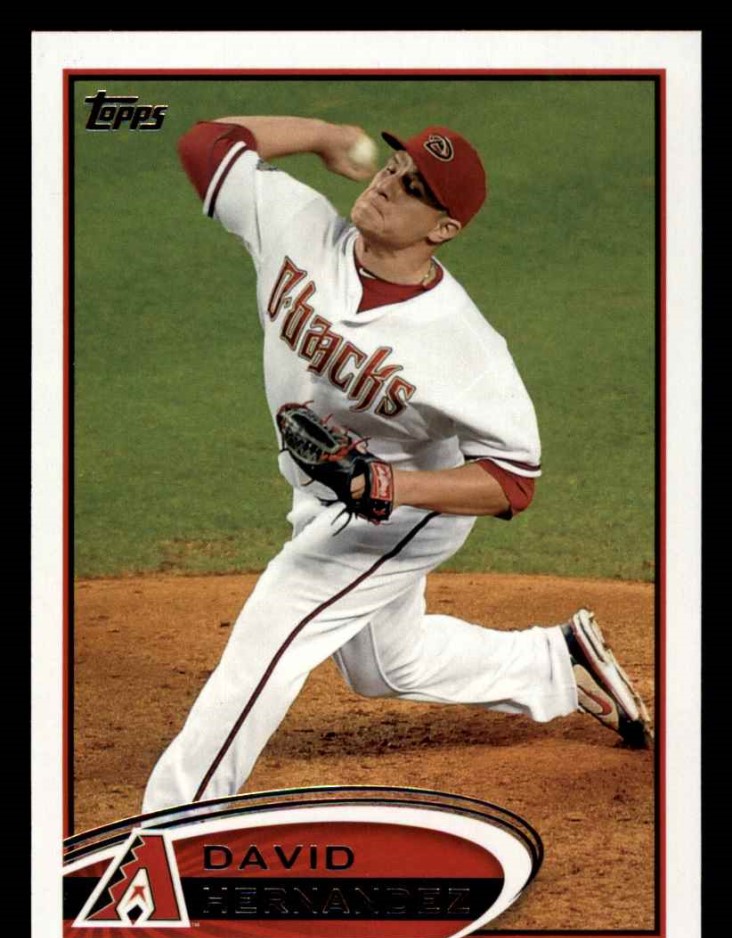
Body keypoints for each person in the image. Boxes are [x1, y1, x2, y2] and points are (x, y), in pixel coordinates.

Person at [142, 115, 652, 817]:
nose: (388, 184)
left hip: (404, 514)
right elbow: (208, 143)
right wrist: (324, 136)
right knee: (385, 665)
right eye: (394, 167)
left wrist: (391, 486)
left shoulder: (465, 346)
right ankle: (553, 663)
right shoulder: (297, 223)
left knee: (273, 633)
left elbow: (513, 481)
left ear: (443, 229)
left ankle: (168, 831)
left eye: (414, 189)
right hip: (324, 492)